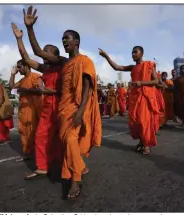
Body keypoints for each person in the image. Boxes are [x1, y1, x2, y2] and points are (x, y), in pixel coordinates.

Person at [11, 22, 64, 179]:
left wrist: (52, 91)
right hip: (47, 109)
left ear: (55, 55)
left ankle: (71, 165)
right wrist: (19, 39)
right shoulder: (44, 69)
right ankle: (42, 166)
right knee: (41, 137)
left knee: (63, 139)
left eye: (47, 52)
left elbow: (69, 89)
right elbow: (26, 58)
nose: (43, 54)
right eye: (43, 51)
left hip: (61, 107)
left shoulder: (63, 66)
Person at [58, 30, 102, 199]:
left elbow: (86, 87)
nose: (64, 41)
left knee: (70, 140)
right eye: (62, 39)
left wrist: (80, 111)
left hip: (77, 108)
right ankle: (81, 166)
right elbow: (39, 54)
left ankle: (75, 180)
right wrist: (27, 31)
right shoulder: (65, 63)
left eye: (66, 38)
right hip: (64, 108)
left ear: (76, 41)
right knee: (69, 143)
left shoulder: (85, 61)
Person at [99, 46, 159, 155]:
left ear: (142, 53)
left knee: (143, 121)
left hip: (144, 98)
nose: (133, 54)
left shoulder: (149, 65)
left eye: (135, 52)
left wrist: (142, 83)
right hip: (134, 98)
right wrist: (106, 57)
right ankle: (142, 141)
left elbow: (156, 81)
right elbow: (117, 67)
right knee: (135, 122)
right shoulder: (132, 67)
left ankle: (147, 145)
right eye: (132, 53)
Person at [8, 60, 42, 162]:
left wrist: (27, 91)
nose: (18, 69)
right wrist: (12, 74)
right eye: (17, 68)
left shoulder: (36, 76)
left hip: (34, 109)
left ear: (26, 66)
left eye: (19, 67)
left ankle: (41, 156)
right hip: (23, 110)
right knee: (23, 132)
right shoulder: (22, 80)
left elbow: (41, 90)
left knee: (34, 132)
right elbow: (11, 88)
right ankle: (27, 153)